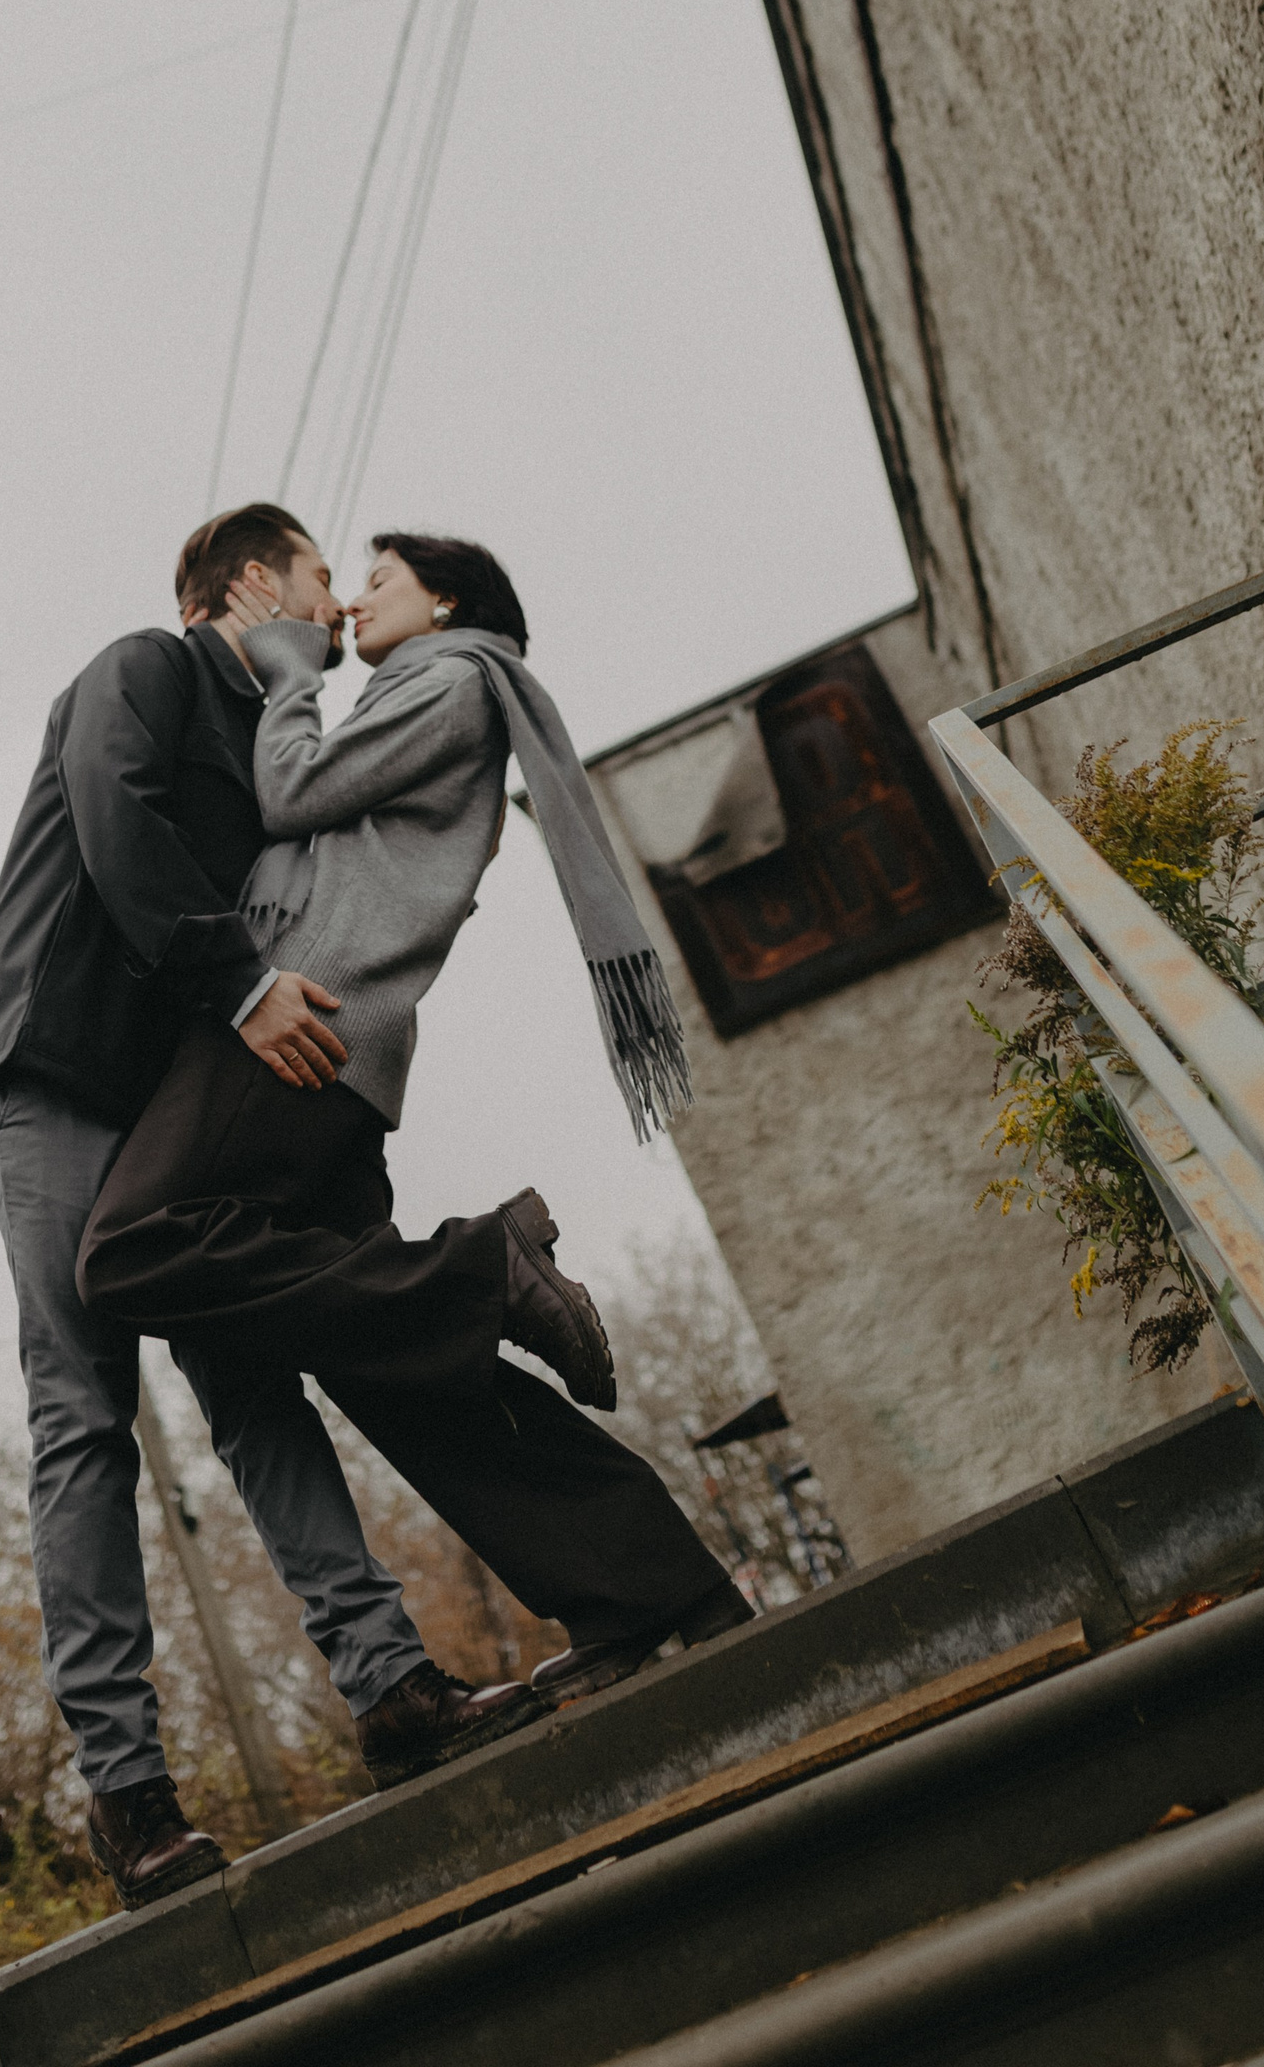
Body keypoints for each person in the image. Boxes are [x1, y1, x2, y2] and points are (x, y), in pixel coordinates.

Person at [0, 503, 535, 1916]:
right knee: (85, 1412)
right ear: (254, 583)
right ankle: (130, 1794)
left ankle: (391, 1687)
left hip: (171, 1098)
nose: (338, 606)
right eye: (324, 577)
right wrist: (244, 989)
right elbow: (116, 825)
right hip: (54, 1075)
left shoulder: (279, 732)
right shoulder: (145, 669)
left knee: (257, 1390)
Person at [79, 532, 749, 1719]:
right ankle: (652, 1588)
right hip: (341, 1039)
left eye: (377, 580)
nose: (350, 603)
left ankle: (484, 1266)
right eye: (344, 583)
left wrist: (292, 678)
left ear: (443, 599)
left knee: (131, 1250)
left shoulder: (449, 680)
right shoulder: (439, 689)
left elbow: (293, 790)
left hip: (304, 1022)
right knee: (396, 1360)